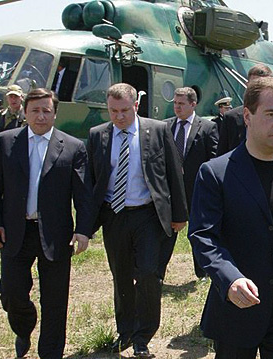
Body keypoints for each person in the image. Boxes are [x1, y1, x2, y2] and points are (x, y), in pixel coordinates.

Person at [188, 77, 273, 358]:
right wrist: (231, 279)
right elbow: (203, 237)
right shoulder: (215, 172)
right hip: (237, 309)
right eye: (271, 114)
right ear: (247, 116)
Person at [87, 83, 188, 357]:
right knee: (120, 276)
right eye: (113, 111)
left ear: (136, 106)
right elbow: (91, 183)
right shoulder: (98, 135)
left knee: (148, 274)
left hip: (148, 214)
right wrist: (85, 226)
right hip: (115, 216)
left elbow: (173, 172)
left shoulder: (157, 130)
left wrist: (179, 215)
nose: (119, 116)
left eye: (124, 110)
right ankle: (126, 332)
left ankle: (144, 334)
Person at [0, 88, 94, 359]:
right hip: (16, 232)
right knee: (11, 293)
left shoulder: (73, 147)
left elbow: (84, 194)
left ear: (55, 114)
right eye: (35, 110)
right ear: (25, 112)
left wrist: (83, 230)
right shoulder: (4, 143)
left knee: (55, 301)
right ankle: (23, 327)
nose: (40, 116)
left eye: (46, 111)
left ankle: (50, 353)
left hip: (55, 234)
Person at [161, 87, 218, 280]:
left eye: (181, 104)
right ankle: (158, 271)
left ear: (193, 104)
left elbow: (213, 158)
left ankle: (202, 272)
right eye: (175, 103)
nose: (177, 107)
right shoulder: (165, 126)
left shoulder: (207, 127)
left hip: (196, 189)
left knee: (197, 232)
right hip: (170, 190)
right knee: (166, 233)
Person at [216, 63, 273, 155]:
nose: (259, 90)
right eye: (255, 85)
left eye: (264, 85)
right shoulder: (231, 118)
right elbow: (221, 154)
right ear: (247, 85)